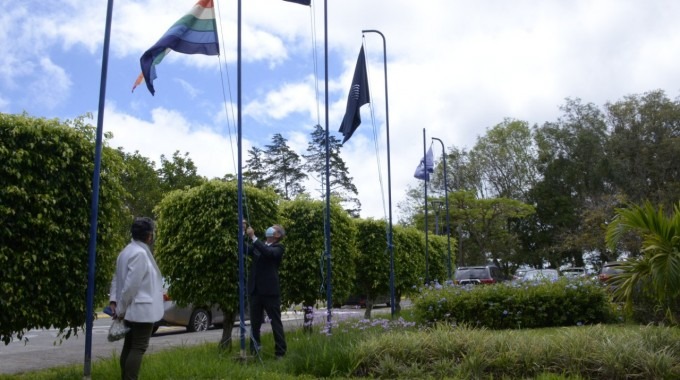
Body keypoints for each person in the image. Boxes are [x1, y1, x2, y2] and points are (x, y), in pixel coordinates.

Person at [109, 217, 164, 380]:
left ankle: (125, 377)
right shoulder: (140, 254)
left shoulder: (126, 251)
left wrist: (115, 301)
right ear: (148, 235)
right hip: (140, 309)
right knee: (138, 347)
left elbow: (116, 278)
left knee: (129, 346)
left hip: (132, 309)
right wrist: (120, 308)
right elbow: (131, 286)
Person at [245, 223, 287, 359]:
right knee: (255, 324)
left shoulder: (278, 248)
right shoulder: (260, 245)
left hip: (270, 292)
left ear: (277, 235)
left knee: (275, 322)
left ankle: (280, 353)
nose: (269, 228)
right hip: (256, 291)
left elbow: (268, 253)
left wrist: (253, 237)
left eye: (274, 227)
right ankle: (254, 351)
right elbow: (245, 250)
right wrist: (242, 233)